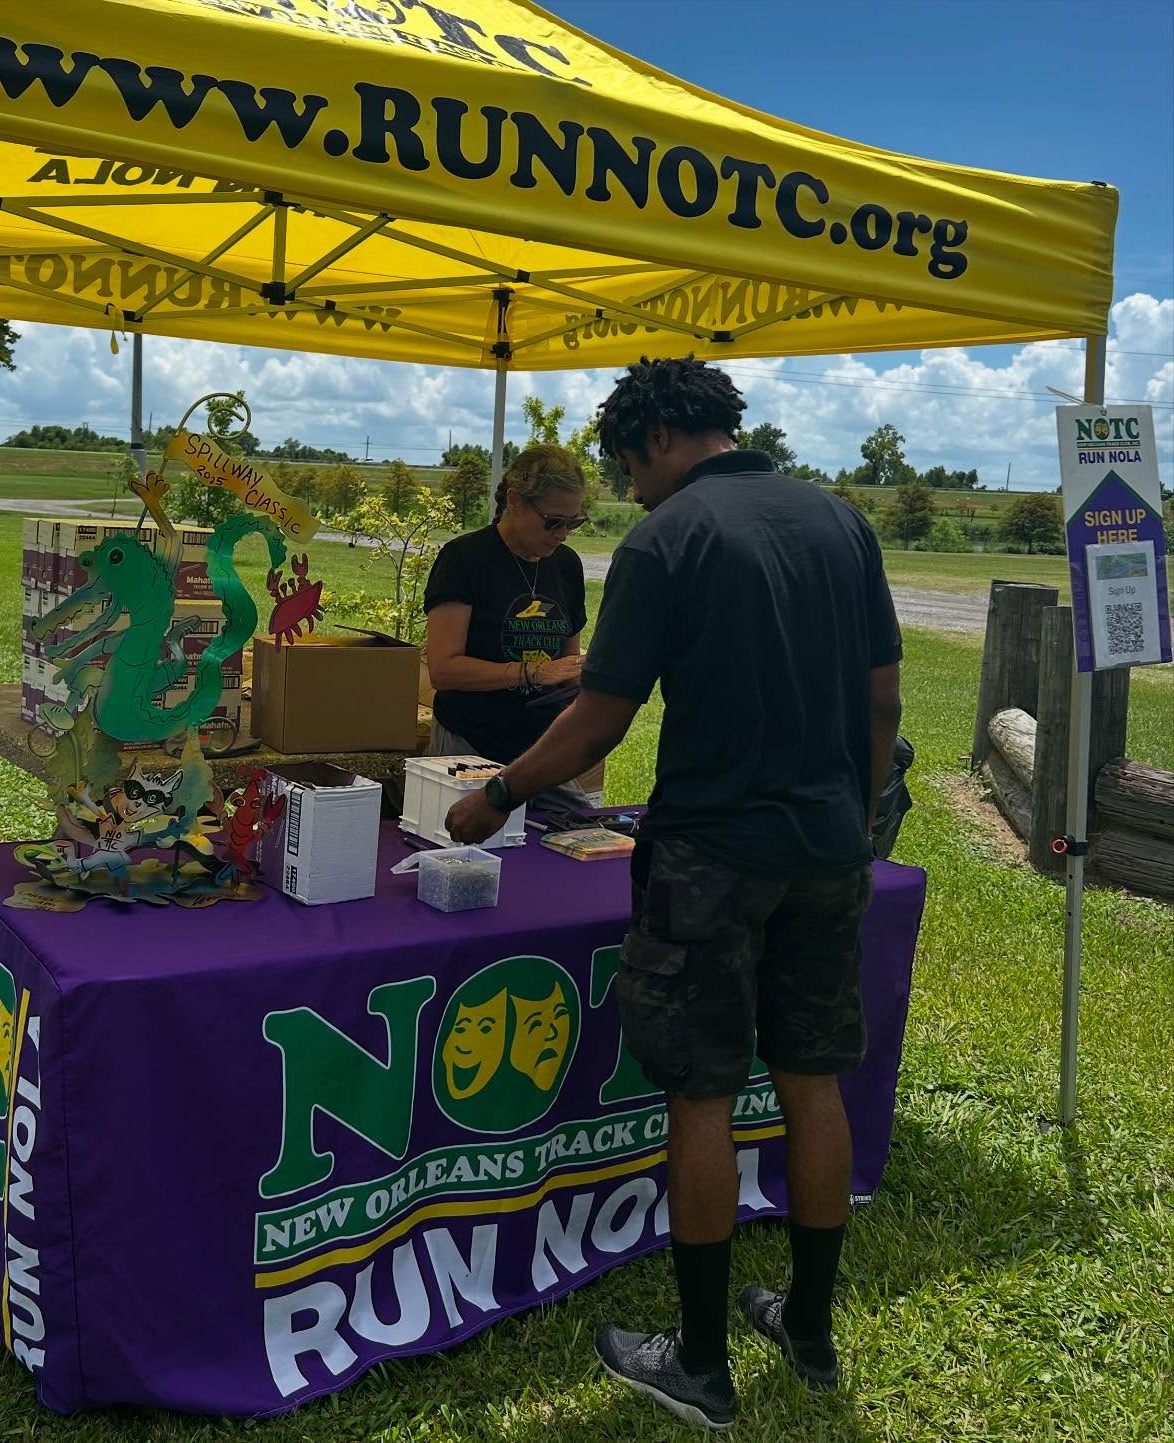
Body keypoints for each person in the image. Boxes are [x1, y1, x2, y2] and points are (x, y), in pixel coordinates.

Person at [446, 358, 903, 1431]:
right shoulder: (841, 521)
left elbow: (603, 718)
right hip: (832, 853)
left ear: (654, 437)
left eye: (621, 463)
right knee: (812, 1079)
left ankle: (699, 1365)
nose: (623, 487)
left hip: (711, 859)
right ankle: (810, 1330)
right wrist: (855, 811)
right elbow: (881, 701)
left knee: (700, 1093)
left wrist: (499, 792)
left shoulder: (668, 539)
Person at [423, 444, 599, 806]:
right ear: (515, 500)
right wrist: (531, 672)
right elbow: (444, 670)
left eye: (573, 522)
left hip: (541, 749)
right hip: (469, 743)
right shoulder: (465, 559)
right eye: (553, 522)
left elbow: (565, 664)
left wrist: (584, 677)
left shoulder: (566, 565)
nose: (562, 534)